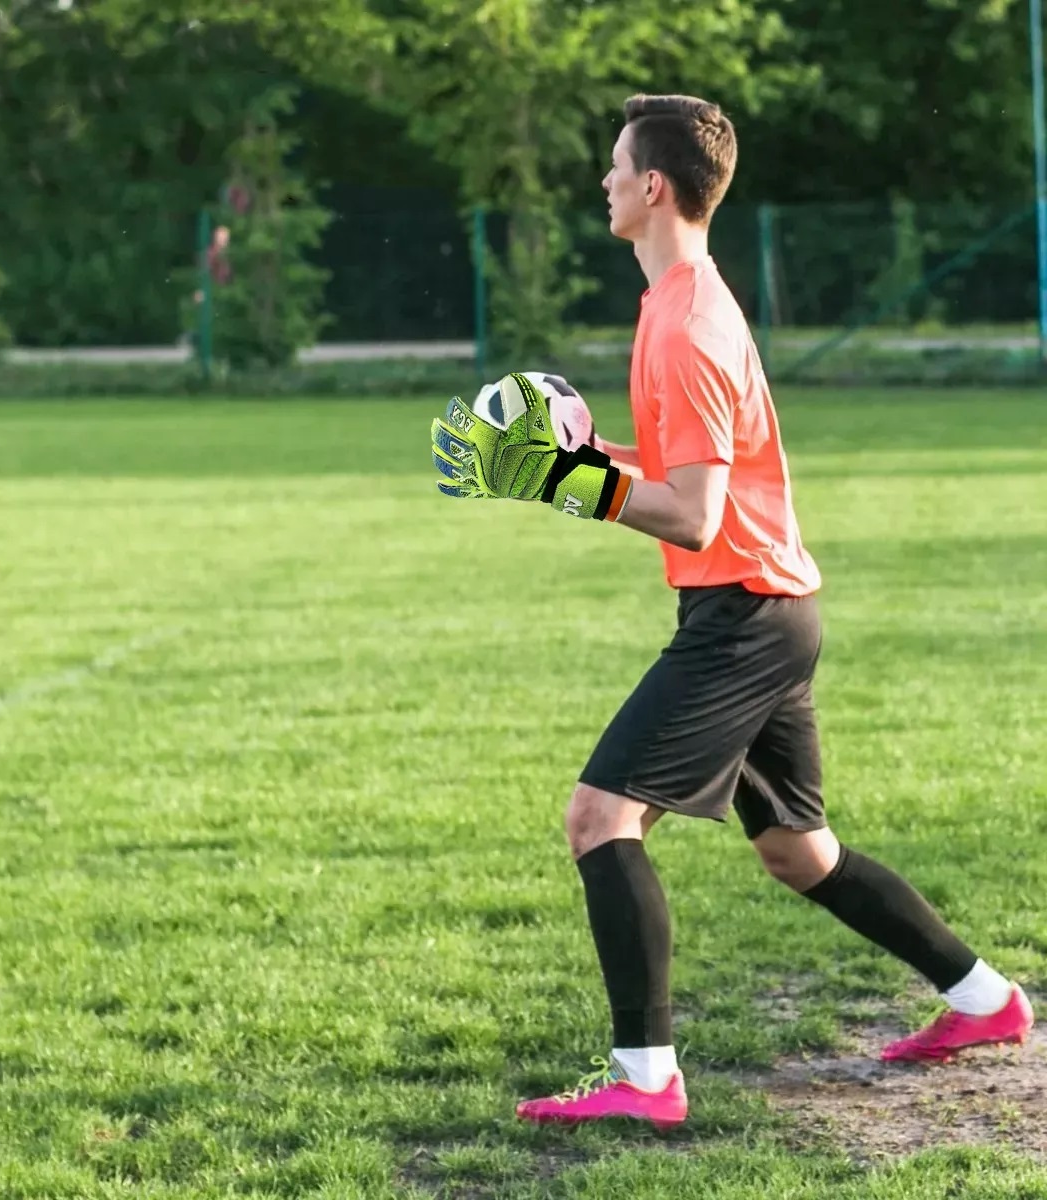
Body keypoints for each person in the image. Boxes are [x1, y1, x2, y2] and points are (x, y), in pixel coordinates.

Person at [431, 94, 1032, 1131]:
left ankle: (646, 1080)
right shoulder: (675, 301)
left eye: (616, 168)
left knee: (600, 819)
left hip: (744, 613)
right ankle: (987, 1001)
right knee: (799, 852)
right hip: (768, 606)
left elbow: (696, 517)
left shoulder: (688, 323)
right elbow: (680, 475)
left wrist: (574, 486)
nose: (606, 182)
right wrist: (570, 463)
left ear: (653, 186)